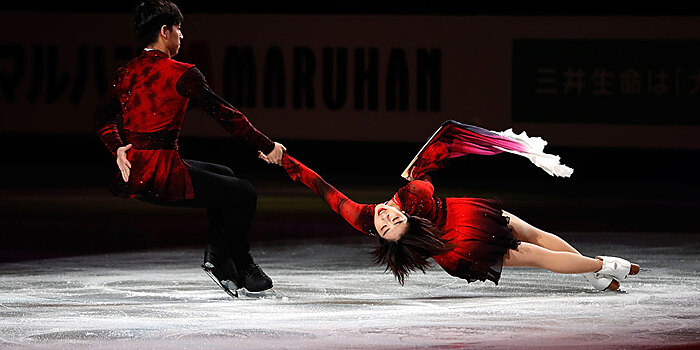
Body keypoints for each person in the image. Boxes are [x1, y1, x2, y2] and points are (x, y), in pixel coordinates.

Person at [265, 121, 639, 291]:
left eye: (387, 220)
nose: (385, 215)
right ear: (401, 231)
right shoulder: (413, 199)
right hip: (463, 239)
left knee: (537, 238)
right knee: (535, 253)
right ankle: (604, 265)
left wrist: (285, 161)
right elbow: (425, 182)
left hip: (466, 216)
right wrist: (416, 176)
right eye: (390, 224)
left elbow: (320, 186)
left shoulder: (369, 215)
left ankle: (596, 272)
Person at [93, 0, 285, 297]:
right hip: (163, 176)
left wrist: (117, 148)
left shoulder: (126, 72)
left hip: (137, 172)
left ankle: (217, 256)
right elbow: (227, 115)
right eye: (179, 29)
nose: (182, 36)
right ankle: (242, 265)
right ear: (165, 30)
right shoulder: (182, 73)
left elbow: (101, 118)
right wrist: (267, 145)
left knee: (225, 174)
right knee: (244, 192)